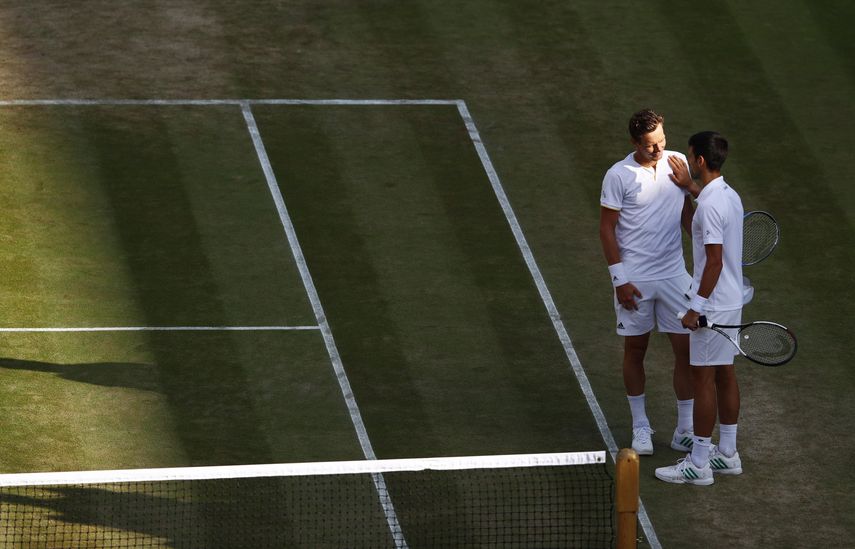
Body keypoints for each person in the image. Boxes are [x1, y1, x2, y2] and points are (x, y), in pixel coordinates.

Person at [599, 109, 695, 456]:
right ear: (634, 143)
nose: (658, 150)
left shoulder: (678, 163)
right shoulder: (617, 175)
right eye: (650, 145)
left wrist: (707, 245)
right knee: (635, 350)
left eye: (662, 142)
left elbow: (688, 216)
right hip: (635, 279)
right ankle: (641, 427)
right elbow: (606, 229)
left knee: (686, 352)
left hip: (674, 275)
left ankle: (684, 430)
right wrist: (619, 280)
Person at [655, 131, 744, 485]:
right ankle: (728, 453)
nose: (689, 161)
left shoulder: (709, 205)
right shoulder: (728, 195)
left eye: (692, 157)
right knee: (725, 374)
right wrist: (688, 189)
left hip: (713, 305)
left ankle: (700, 462)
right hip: (732, 300)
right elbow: (701, 224)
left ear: (700, 161)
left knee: (704, 379)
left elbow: (714, 262)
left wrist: (696, 308)